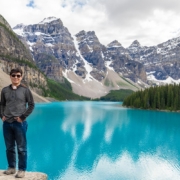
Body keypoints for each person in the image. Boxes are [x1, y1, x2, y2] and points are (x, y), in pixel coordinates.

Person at [0, 67, 35, 178]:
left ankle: (21, 169)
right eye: (13, 75)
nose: (16, 77)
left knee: (21, 148)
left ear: (21, 77)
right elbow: (1, 104)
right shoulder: (5, 90)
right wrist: (1, 116)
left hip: (20, 123)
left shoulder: (25, 90)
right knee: (9, 147)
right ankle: (11, 168)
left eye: (18, 75)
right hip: (7, 123)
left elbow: (31, 105)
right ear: (10, 76)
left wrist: (23, 117)